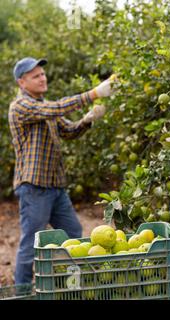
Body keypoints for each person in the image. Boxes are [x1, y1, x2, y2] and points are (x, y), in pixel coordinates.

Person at [8, 57, 115, 286]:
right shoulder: (22, 106)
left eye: (43, 74)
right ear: (21, 83)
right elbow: (55, 108)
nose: (42, 78)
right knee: (32, 244)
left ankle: (71, 285)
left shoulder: (44, 108)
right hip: (34, 187)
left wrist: (87, 120)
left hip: (56, 188)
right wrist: (93, 93)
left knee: (74, 235)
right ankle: (23, 291)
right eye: (35, 76)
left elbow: (68, 131)